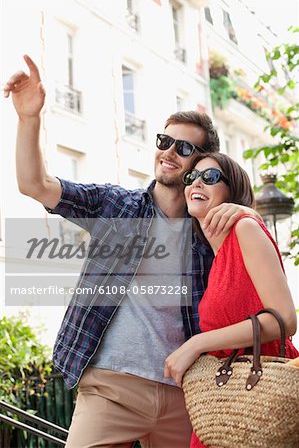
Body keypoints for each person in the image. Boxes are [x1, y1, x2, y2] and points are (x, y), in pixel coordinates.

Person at [4, 55, 259, 448]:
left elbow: (249, 299)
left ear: (202, 163)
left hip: (186, 392)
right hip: (110, 388)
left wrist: (245, 213)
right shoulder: (115, 206)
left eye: (183, 147)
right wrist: (29, 120)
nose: (168, 151)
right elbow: (35, 184)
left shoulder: (213, 231)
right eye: (164, 141)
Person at [163, 152, 299, 448]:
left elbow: (286, 319)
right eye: (191, 177)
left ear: (232, 192)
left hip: (262, 401)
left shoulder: (245, 230)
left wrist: (196, 344)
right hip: (226, 406)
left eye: (209, 177)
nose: (196, 182)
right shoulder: (216, 256)